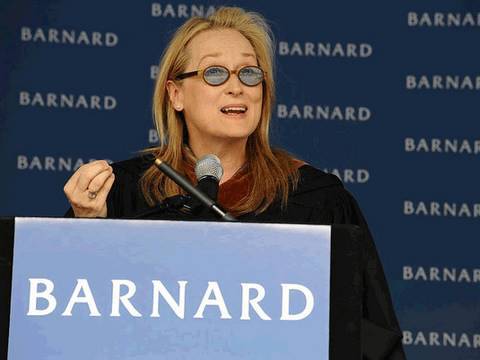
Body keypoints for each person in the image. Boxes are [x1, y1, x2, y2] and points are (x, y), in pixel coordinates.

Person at [64, 7, 406, 358]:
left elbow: (370, 338)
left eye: (249, 73)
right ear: (175, 94)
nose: (236, 88)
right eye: (214, 73)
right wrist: (86, 230)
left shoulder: (316, 199)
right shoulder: (123, 191)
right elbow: (69, 321)